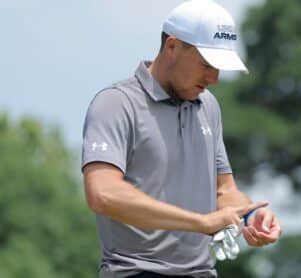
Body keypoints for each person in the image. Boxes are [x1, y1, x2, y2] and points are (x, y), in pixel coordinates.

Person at [81, 0, 281, 277]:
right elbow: (103, 194)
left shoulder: (208, 106)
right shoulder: (116, 104)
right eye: (206, 64)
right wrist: (200, 222)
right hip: (135, 272)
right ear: (172, 46)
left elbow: (224, 192)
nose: (214, 78)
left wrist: (248, 216)